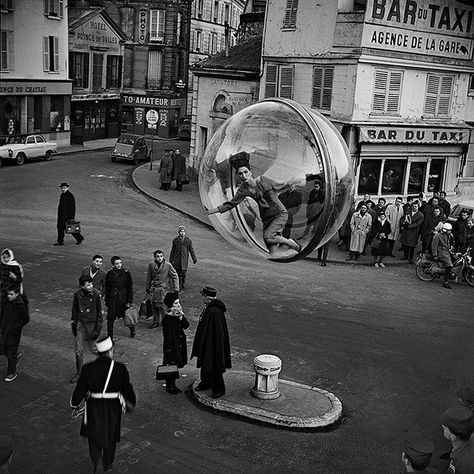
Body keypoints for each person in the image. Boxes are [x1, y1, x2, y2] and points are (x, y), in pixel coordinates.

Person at [206, 152, 304, 256]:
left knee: (268, 237)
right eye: (240, 173)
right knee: (273, 252)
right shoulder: (243, 190)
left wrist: (296, 180)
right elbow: (230, 204)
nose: (243, 176)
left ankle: (290, 243)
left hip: (279, 213)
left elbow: (280, 186)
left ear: (250, 172)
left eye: (245, 172)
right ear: (237, 175)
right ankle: (289, 250)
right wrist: (210, 211)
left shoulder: (263, 180)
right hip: (266, 217)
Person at [70, 337, 136, 473]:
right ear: (110, 351)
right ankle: (108, 463)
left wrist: (74, 404)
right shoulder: (120, 369)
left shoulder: (88, 369)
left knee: (93, 437)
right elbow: (127, 389)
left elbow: (79, 391)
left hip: (93, 407)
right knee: (111, 436)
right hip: (113, 408)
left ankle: (97, 461)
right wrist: (131, 401)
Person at [191, 286, 231, 399]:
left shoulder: (214, 312)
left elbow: (217, 333)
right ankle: (206, 383)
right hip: (207, 341)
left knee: (214, 366)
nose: (202, 298)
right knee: (206, 365)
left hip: (212, 344)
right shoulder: (210, 307)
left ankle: (219, 389)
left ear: (207, 297)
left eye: (203, 296)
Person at [70, 276, 103, 384]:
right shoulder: (77, 295)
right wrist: (74, 324)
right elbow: (74, 310)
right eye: (88, 285)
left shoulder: (96, 294)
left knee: (93, 348)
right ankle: (79, 373)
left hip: (92, 324)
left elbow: (99, 314)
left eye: (91, 284)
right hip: (80, 324)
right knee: (78, 350)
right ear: (82, 286)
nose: (91, 286)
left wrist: (97, 330)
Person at [161, 292, 189, 394]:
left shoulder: (178, 315)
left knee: (176, 365)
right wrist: (168, 349)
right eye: (175, 303)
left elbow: (186, 326)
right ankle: (170, 386)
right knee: (170, 365)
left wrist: (182, 318)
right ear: (170, 305)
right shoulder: (167, 319)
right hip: (172, 345)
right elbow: (167, 336)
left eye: (178, 302)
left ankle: (173, 385)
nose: (178, 305)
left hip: (179, 343)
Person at [0, 284, 29, 382]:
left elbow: (25, 319)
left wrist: (16, 327)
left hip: (13, 333)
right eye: (8, 294)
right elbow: (2, 314)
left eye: (11, 294)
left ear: (17, 294)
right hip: (4, 330)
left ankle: (11, 373)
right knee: (3, 349)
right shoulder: (6, 302)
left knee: (11, 352)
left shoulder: (20, 305)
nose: (9, 296)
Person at [145, 250, 179, 329]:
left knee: (163, 307)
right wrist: (147, 287)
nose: (160, 258)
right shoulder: (151, 265)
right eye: (158, 256)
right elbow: (149, 277)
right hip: (153, 289)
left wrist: (176, 289)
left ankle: (166, 322)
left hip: (163, 290)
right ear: (155, 257)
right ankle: (155, 322)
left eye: (161, 256)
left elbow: (175, 276)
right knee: (154, 306)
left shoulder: (167, 265)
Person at [104, 257, 133, 340]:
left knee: (126, 316)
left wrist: (129, 301)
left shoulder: (126, 273)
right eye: (117, 263)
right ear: (113, 264)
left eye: (120, 263)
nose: (119, 265)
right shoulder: (109, 274)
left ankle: (132, 329)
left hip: (123, 298)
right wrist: (107, 300)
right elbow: (108, 288)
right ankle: (110, 338)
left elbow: (130, 287)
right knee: (110, 319)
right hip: (113, 299)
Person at [441, 406, 474, 473]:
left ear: (453, 437)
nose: (443, 426)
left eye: (445, 427)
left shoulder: (463, 465)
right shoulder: (472, 436)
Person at [169, 226, 197, 290]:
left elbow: (191, 250)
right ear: (179, 232)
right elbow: (173, 250)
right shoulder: (175, 240)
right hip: (177, 259)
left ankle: (183, 282)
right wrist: (171, 258)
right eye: (181, 231)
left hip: (184, 259)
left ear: (185, 232)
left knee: (184, 272)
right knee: (178, 272)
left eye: (184, 231)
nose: (182, 233)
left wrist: (194, 258)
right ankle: (178, 283)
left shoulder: (188, 241)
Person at [431, 222, 454, 289]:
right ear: (445, 230)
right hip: (441, 252)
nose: (450, 232)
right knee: (449, 265)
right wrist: (435, 255)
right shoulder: (438, 235)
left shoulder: (447, 235)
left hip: (446, 251)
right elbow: (434, 246)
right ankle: (445, 282)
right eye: (449, 230)